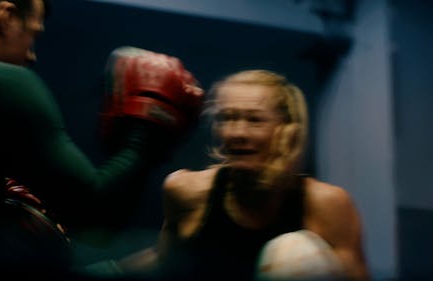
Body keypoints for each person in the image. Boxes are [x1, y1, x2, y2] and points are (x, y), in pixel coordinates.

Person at [0, 0, 203, 278]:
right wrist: (146, 129)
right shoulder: (1, 81)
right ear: (7, 17)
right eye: (33, 34)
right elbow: (96, 216)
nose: (32, 56)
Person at [116, 69, 370, 281]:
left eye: (254, 120)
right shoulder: (186, 191)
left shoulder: (326, 204)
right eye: (227, 118)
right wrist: (100, 271)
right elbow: (163, 259)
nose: (236, 132)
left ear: (287, 131)